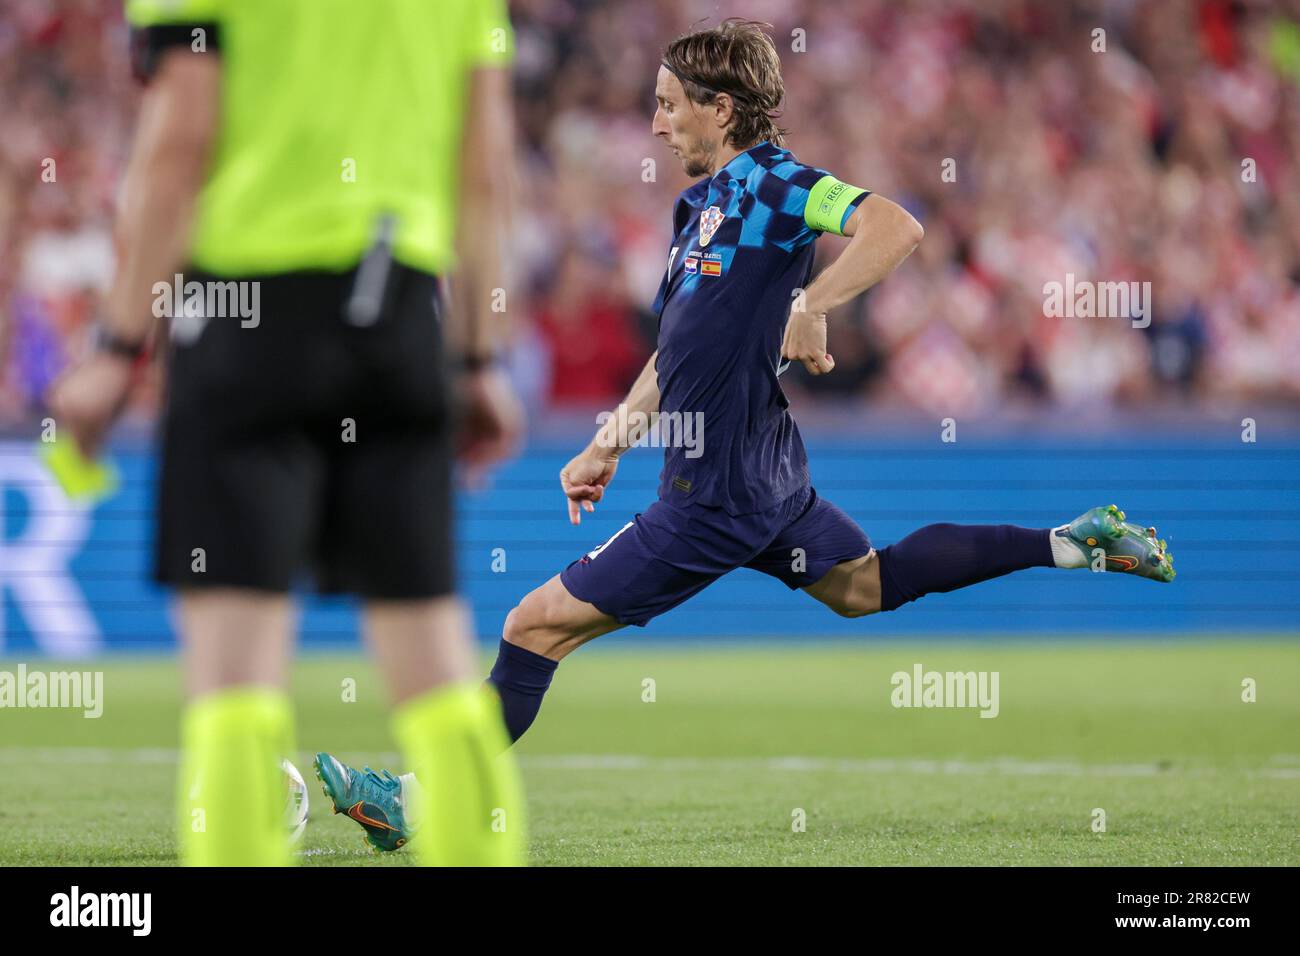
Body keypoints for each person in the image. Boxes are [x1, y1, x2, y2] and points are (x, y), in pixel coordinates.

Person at [318, 18, 1174, 851]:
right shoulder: (699, 210)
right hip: (770, 484)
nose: (654, 122)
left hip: (714, 497)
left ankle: (414, 804)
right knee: (866, 586)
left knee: (531, 627)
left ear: (719, 108)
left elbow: (896, 226)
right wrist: (610, 441)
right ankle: (1072, 543)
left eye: (668, 103)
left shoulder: (776, 185)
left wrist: (811, 302)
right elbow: (678, 347)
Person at [48, 0, 527, 866]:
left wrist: (119, 346)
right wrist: (477, 359)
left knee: (234, 680)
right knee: (436, 670)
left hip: (245, 320)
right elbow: (485, 162)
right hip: (398, 313)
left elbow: (180, 138)